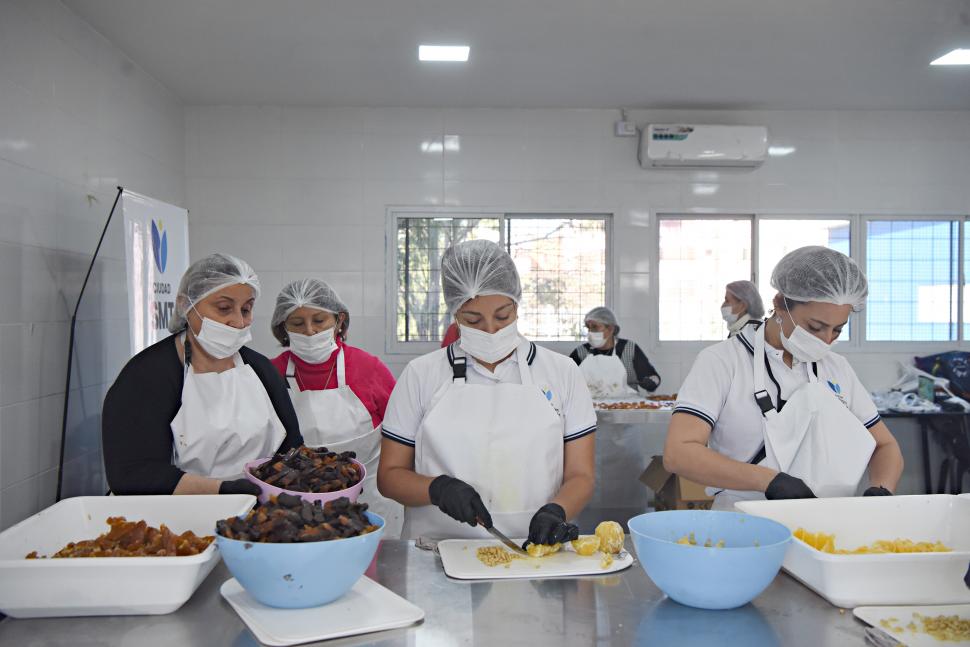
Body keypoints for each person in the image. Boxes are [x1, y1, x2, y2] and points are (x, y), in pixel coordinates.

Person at [377, 240, 597, 546]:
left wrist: (558, 511)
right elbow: (389, 475)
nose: (491, 330)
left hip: (533, 552)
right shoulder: (421, 375)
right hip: (437, 552)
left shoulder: (562, 373)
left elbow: (581, 475)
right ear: (454, 314)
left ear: (517, 305)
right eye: (473, 320)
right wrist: (436, 489)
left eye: (503, 316)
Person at [664, 246, 903, 510]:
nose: (825, 340)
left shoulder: (837, 369)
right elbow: (679, 453)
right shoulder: (723, 361)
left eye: (837, 330)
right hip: (744, 521)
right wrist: (768, 481)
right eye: (815, 327)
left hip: (827, 523)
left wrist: (881, 489)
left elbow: (885, 445)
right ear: (779, 304)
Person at [103, 253, 303, 495]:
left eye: (246, 309)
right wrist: (223, 491)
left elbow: (292, 449)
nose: (238, 322)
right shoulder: (147, 375)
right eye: (224, 308)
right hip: (172, 520)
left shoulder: (261, 369)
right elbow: (131, 474)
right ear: (187, 305)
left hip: (258, 516)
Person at [269, 278, 403, 536]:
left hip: (369, 505)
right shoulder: (270, 374)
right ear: (283, 328)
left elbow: (403, 431)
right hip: (297, 510)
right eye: (297, 323)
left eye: (319, 321)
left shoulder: (368, 368)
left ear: (339, 321)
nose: (309, 331)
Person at [569, 306, 661, 396]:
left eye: (595, 327)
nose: (590, 332)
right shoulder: (581, 352)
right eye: (588, 328)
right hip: (590, 407)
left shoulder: (629, 349)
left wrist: (651, 382)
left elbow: (653, 377)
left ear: (611, 329)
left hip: (627, 406)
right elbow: (564, 376)